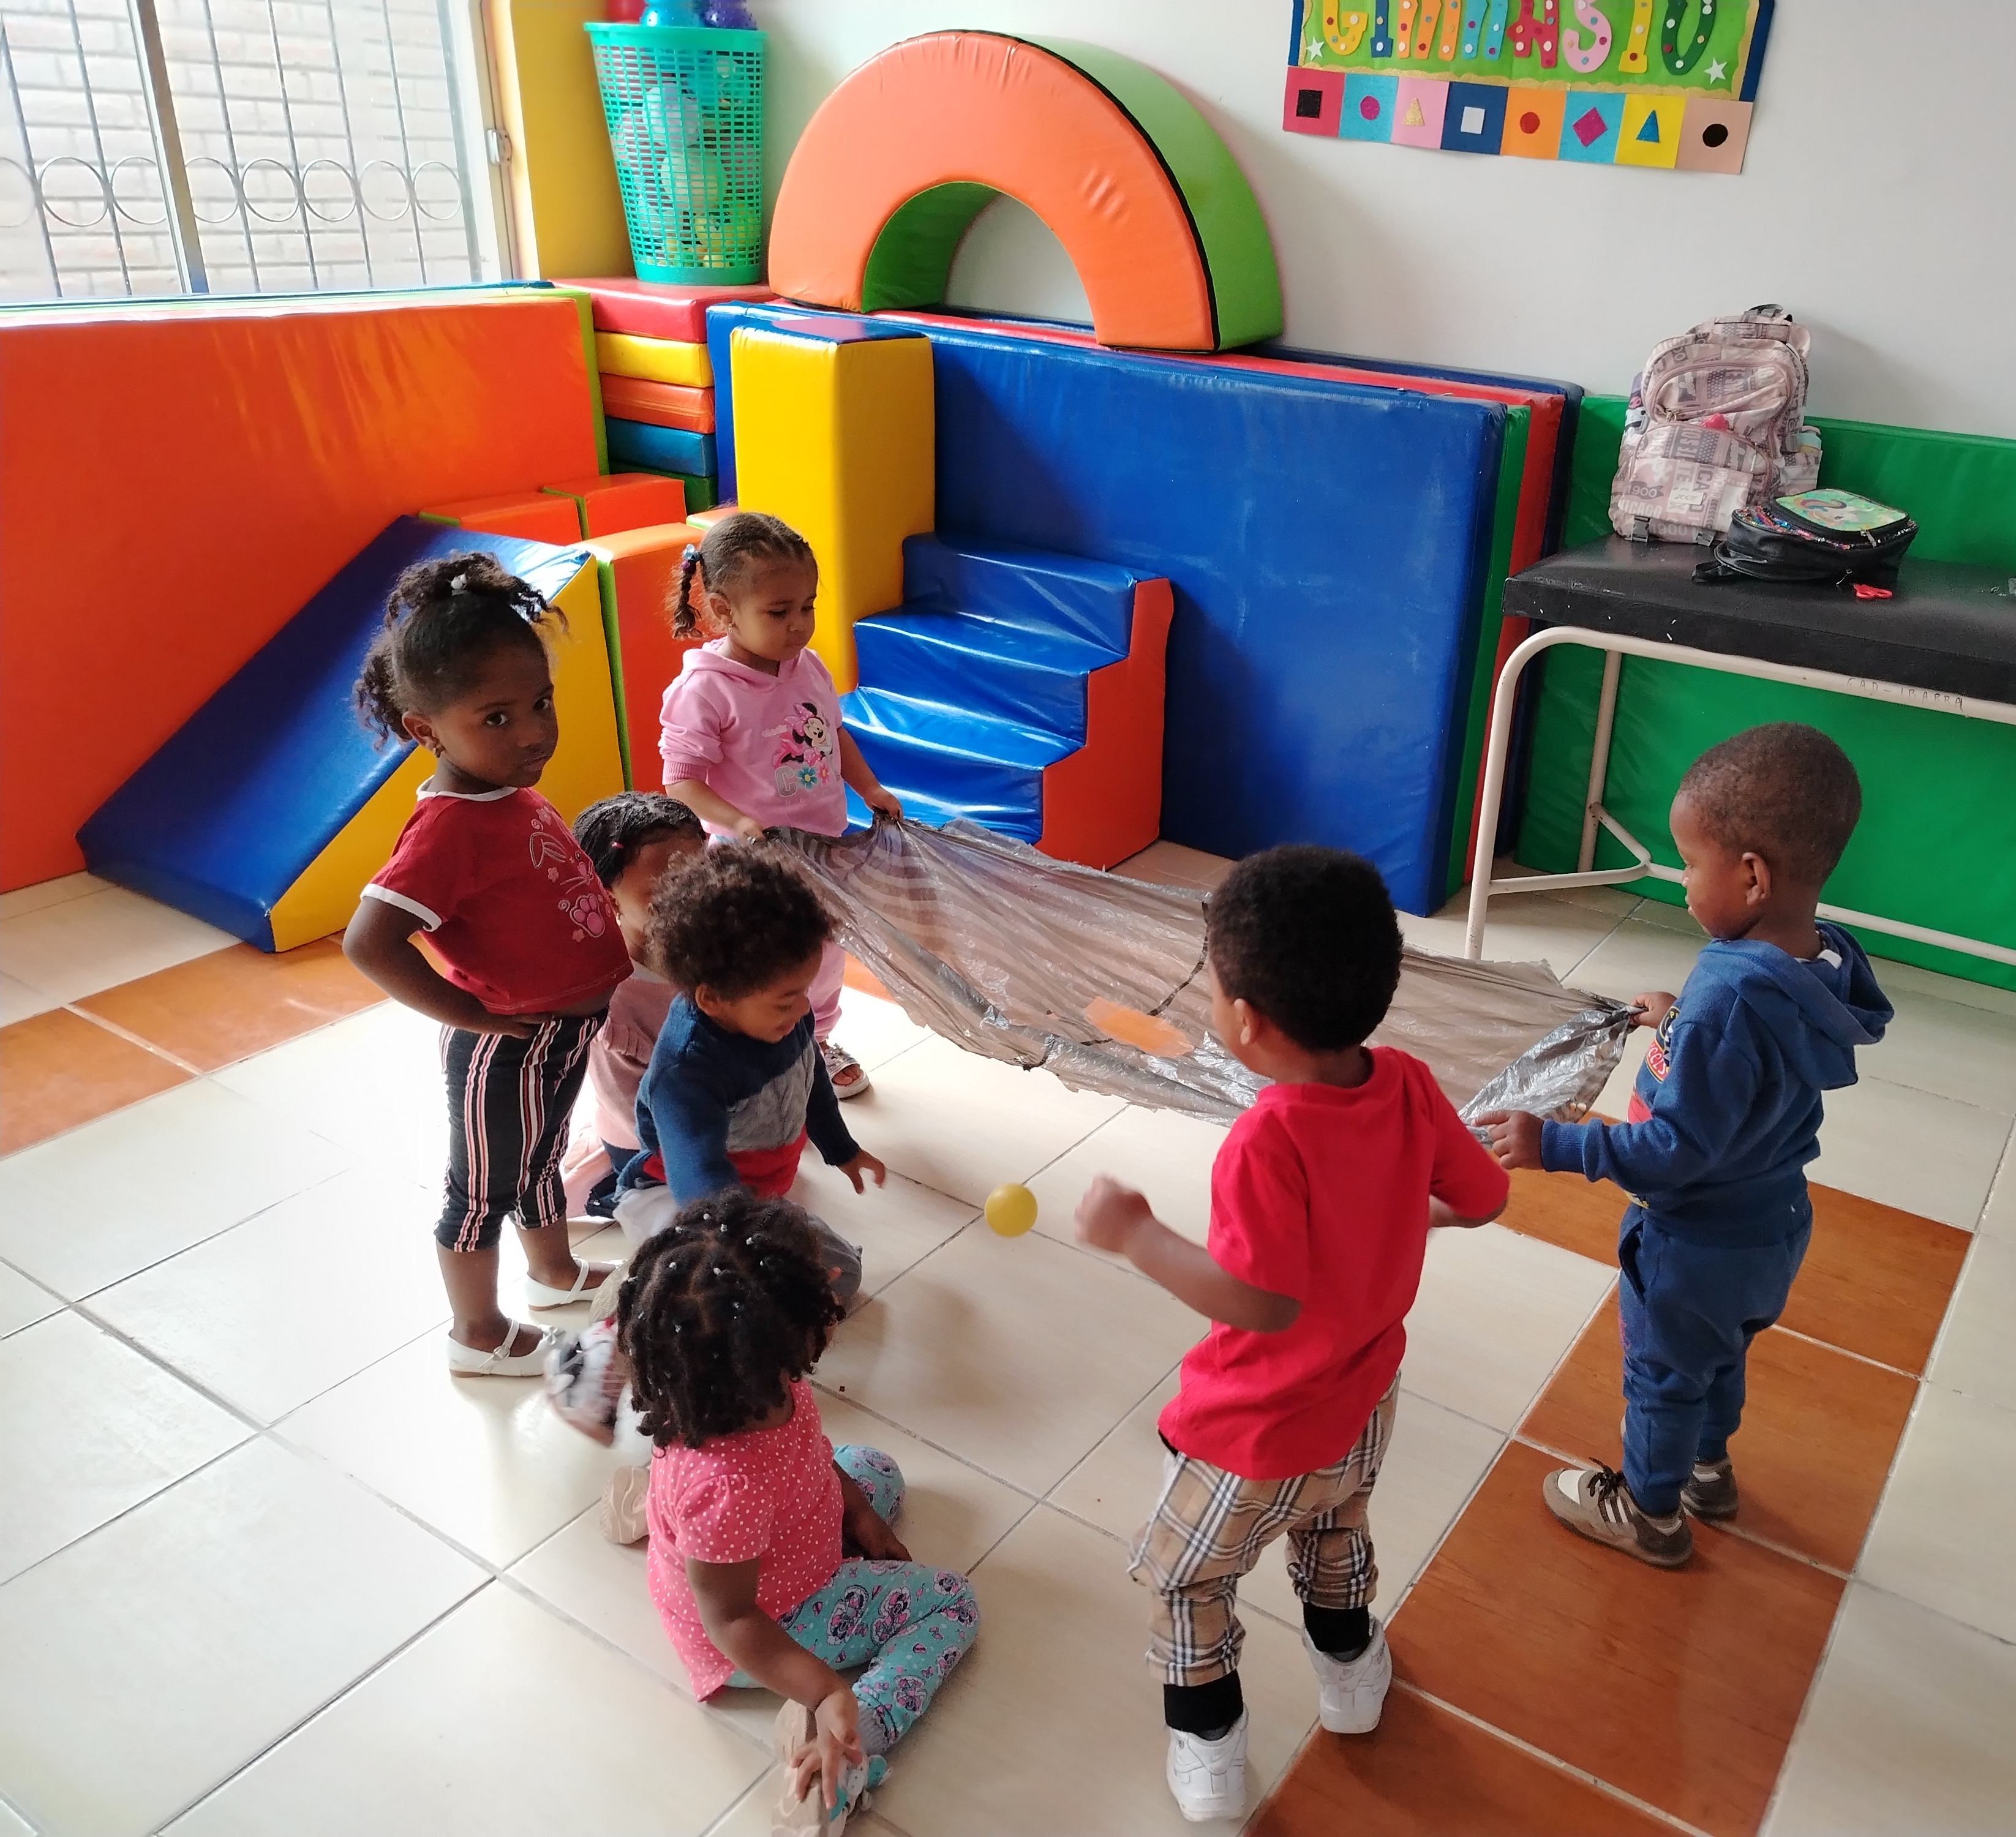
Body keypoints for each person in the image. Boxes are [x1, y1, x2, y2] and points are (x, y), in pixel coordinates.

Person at [1075, 844, 1510, 1823]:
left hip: (1253, 1430)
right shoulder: (1406, 1082)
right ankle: (1351, 1672)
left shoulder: (1268, 1139)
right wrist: (1405, 1214)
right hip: (1364, 1400)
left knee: (1190, 1580)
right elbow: (1484, 1198)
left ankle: (1210, 1747)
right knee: (1335, 1527)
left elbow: (1262, 1304)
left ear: (1246, 1021)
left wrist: (1138, 1235)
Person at [1479, 723, 1893, 1568]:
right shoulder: (1819, 965)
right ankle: (1709, 1470)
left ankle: (1651, 1513)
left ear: (1751, 876)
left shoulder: (1727, 999)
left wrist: (1557, 1144)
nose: (1681, 883)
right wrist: (1676, 1023)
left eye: (1689, 863)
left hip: (1693, 1241)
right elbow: (1751, 1070)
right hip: (1773, 1228)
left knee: (1662, 1376)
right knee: (1719, 1356)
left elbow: (1676, 1150)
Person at [341, 553, 634, 1377]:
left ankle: (554, 1273)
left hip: (557, 1035)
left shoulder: (505, 792)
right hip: (502, 1046)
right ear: (427, 731)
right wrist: (471, 1017)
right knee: (479, 1192)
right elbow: (368, 941)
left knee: (540, 1162)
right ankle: (475, 1333)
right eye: (497, 718)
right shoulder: (447, 828)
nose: (534, 731)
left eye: (541, 703)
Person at [623, 1189, 977, 1831]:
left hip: (769, 1542)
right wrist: (824, 1690)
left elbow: (809, 1452)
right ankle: (845, 1745)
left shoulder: (744, 1389)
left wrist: (857, 1511)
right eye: (819, 1286)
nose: (834, 1280)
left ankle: (651, 1510)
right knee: (950, 1603)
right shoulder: (728, 1486)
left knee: (874, 1469)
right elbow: (732, 1619)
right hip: (769, 1619)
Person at [658, 510, 901, 1103]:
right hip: (753, 866)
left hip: (824, 853)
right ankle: (756, 1054)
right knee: (764, 968)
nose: (799, 625)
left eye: (807, 607)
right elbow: (681, 782)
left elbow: (833, 734)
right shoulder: (704, 690)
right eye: (778, 612)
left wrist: (869, 789)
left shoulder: (808, 667)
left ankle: (814, 1042)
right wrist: (741, 823)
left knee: (823, 956)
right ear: (723, 610)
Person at [614, 844, 884, 1312]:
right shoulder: (686, 1075)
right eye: (787, 999)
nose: (804, 1008)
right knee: (718, 1304)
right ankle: (647, 1294)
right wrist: (755, 1253)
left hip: (752, 1196)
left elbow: (811, 1082)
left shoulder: (784, 1017)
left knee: (842, 1275)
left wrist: (842, 1149)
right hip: (685, 1202)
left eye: (804, 991)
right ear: (713, 999)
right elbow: (701, 1184)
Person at [558, 792, 708, 1220]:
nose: (692, 898)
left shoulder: (717, 947)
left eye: (701, 876)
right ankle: (611, 1191)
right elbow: (632, 1112)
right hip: (652, 1142)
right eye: (665, 889)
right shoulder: (612, 1004)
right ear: (607, 898)